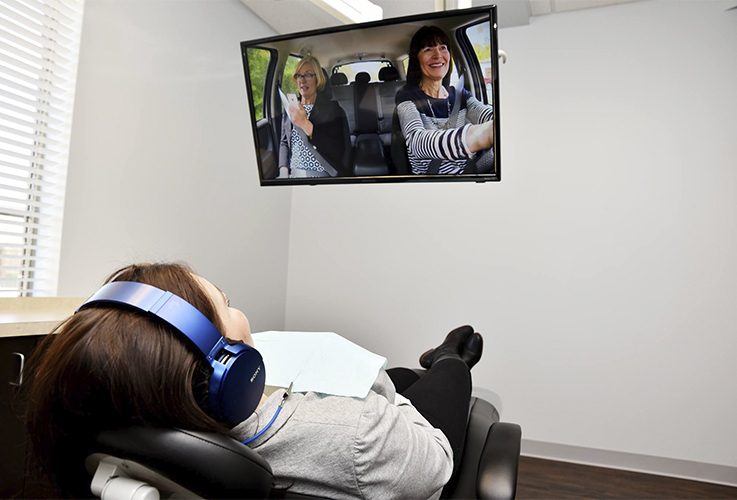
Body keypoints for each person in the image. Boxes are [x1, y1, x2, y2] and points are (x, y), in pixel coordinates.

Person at [24, 262, 483, 499]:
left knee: (406, 376)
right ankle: (447, 357)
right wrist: (378, 389)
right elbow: (436, 463)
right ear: (231, 370)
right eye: (228, 303)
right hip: (417, 444)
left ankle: (414, 372)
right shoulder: (358, 434)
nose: (240, 312)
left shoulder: (131, 420)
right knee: (437, 381)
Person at [396, 25, 495, 175]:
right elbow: (416, 141)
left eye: (443, 47)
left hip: (468, 175)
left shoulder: (460, 95)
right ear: (416, 58)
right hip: (433, 183)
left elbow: (486, 113)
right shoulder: (406, 97)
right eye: (428, 49)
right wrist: (480, 136)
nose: (438, 55)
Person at [278, 55, 351, 178]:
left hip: (322, 174)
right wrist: (283, 172)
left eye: (308, 75)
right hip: (293, 174)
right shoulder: (291, 108)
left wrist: (305, 124)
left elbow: (337, 150)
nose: (302, 80)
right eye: (299, 75)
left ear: (318, 79)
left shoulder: (333, 110)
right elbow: (284, 142)